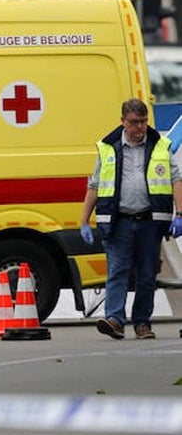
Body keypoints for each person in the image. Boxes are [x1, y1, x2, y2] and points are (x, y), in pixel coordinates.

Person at [80, 98, 182, 340]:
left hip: (150, 221)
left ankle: (142, 323)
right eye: (134, 122)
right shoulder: (108, 148)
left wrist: (180, 214)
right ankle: (114, 319)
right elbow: (94, 186)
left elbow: (176, 180)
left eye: (143, 122)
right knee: (117, 270)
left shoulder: (160, 146)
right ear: (122, 122)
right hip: (119, 221)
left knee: (147, 274)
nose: (140, 128)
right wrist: (84, 220)